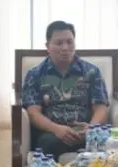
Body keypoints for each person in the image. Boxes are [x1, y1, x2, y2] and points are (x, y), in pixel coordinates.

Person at [20, 20, 109, 159]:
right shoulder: (36, 74)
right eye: (59, 43)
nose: (65, 47)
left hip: (86, 132)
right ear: (48, 46)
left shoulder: (91, 72)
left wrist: (90, 129)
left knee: (109, 141)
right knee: (46, 143)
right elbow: (33, 113)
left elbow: (101, 107)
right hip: (53, 134)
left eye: (69, 42)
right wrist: (57, 129)